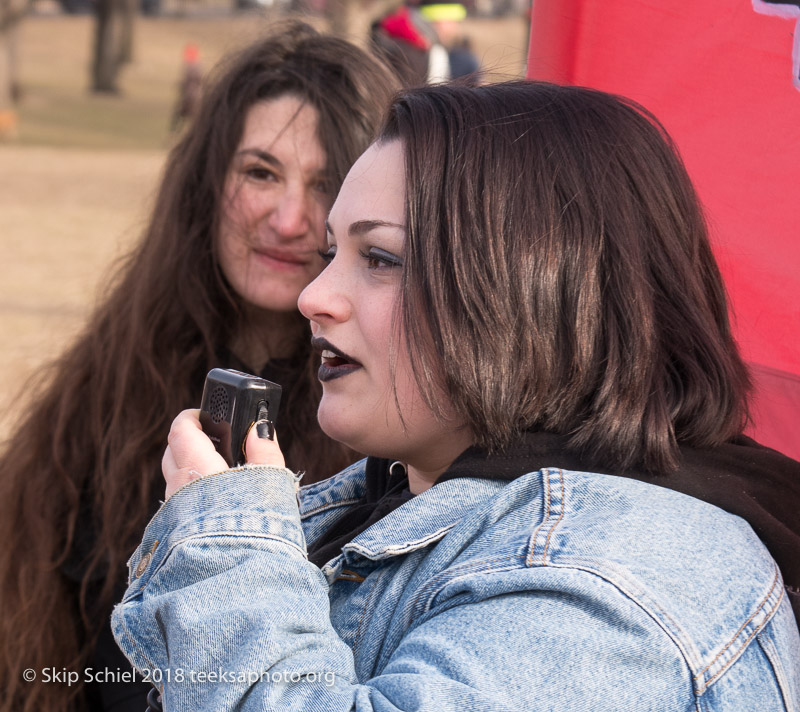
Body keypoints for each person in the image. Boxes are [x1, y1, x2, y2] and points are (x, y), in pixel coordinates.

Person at [113, 81, 800, 709]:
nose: (313, 298)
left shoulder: (618, 579)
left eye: (379, 258)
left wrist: (231, 547)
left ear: (536, 289)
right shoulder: (390, 503)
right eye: (331, 255)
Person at [0, 22, 398, 712]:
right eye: (260, 173)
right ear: (208, 185)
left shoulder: (392, 438)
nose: (288, 218)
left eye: (327, 185)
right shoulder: (108, 387)